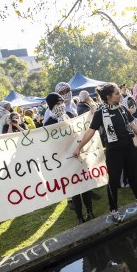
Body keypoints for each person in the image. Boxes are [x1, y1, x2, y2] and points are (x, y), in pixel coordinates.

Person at [73, 84, 137, 224]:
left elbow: (133, 125)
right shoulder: (100, 112)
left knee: (134, 173)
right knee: (114, 181)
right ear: (108, 97)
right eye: (117, 93)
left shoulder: (122, 108)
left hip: (128, 147)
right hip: (114, 151)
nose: (120, 95)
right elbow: (91, 131)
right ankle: (114, 209)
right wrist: (79, 147)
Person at [45, 92, 95, 223]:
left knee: (85, 186)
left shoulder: (70, 116)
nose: (61, 106)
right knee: (74, 190)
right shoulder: (49, 123)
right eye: (57, 103)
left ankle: (90, 212)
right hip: (64, 160)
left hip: (77, 155)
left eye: (61, 103)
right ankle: (79, 216)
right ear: (51, 105)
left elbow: (80, 129)